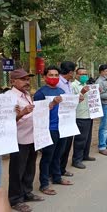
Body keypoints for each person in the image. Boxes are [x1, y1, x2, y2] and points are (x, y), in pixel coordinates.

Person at [6, 69, 44, 212]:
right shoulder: (9, 97)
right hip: (18, 139)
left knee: (30, 166)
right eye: (23, 79)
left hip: (32, 137)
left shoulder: (27, 95)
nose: (27, 82)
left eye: (28, 79)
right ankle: (15, 199)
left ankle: (27, 192)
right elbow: (6, 121)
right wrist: (22, 113)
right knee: (17, 170)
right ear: (12, 81)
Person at [34, 65, 73, 196]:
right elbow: (37, 112)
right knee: (47, 157)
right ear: (45, 77)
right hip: (48, 129)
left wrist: (77, 100)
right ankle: (44, 184)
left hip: (61, 127)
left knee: (58, 154)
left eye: (56, 75)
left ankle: (57, 177)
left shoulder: (61, 91)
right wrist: (52, 104)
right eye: (51, 75)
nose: (54, 78)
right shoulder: (40, 93)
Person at [70, 67, 96, 170]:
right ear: (76, 75)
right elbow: (72, 100)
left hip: (89, 113)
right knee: (80, 139)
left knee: (88, 137)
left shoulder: (86, 85)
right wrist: (82, 92)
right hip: (80, 115)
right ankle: (76, 160)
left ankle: (85, 155)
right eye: (81, 74)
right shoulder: (73, 86)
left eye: (86, 74)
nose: (84, 76)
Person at [58, 61, 76, 178]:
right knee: (60, 147)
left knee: (68, 145)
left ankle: (62, 169)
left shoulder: (69, 83)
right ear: (70, 72)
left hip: (69, 118)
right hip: (61, 119)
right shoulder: (59, 83)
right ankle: (56, 171)